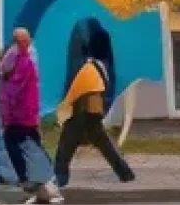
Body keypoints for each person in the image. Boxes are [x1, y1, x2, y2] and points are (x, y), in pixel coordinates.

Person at [54, 47, 135, 188]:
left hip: (81, 110)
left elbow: (79, 89)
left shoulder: (88, 68)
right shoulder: (99, 67)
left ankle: (60, 178)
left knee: (66, 146)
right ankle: (125, 173)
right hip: (92, 112)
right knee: (104, 144)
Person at [0, 28, 62, 204]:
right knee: (31, 147)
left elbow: (12, 89)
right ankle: (44, 186)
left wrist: (4, 105)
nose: (24, 44)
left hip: (20, 114)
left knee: (21, 148)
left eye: (24, 40)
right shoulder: (20, 59)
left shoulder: (22, 61)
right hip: (22, 114)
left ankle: (36, 185)